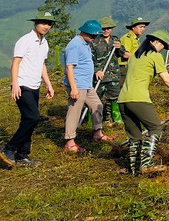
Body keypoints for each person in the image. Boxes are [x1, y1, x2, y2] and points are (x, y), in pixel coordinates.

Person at [118, 30, 169, 175]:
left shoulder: (134, 56)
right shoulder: (155, 56)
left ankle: (134, 169)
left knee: (135, 135)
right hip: (139, 99)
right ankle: (146, 164)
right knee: (156, 128)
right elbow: (166, 79)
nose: (163, 49)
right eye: (163, 46)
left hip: (123, 99)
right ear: (156, 42)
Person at [0, 12, 58, 168]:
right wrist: (15, 84)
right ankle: (9, 149)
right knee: (33, 118)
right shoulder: (25, 41)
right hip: (23, 85)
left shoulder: (44, 43)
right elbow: (16, 62)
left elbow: (42, 65)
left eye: (49, 24)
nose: (46, 26)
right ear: (36, 23)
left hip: (34, 85)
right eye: (43, 23)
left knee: (28, 120)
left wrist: (48, 84)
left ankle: (22, 155)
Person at [63, 20, 114, 153]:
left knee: (97, 105)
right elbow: (69, 67)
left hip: (86, 84)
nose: (94, 38)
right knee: (74, 112)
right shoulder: (74, 45)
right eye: (93, 36)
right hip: (77, 85)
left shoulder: (85, 43)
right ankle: (70, 142)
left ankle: (98, 133)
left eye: (96, 36)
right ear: (84, 32)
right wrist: (73, 88)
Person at [91, 17, 127, 126]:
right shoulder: (94, 42)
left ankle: (114, 118)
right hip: (100, 76)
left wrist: (120, 47)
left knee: (114, 97)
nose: (106, 30)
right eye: (104, 28)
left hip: (113, 75)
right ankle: (95, 120)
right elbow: (90, 59)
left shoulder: (115, 40)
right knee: (96, 99)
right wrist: (97, 70)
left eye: (109, 28)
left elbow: (122, 54)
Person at [119, 17, 151, 85]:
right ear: (133, 27)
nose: (142, 29)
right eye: (140, 27)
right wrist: (141, 57)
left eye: (144, 27)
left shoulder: (136, 38)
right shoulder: (128, 38)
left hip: (130, 66)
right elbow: (125, 54)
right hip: (123, 68)